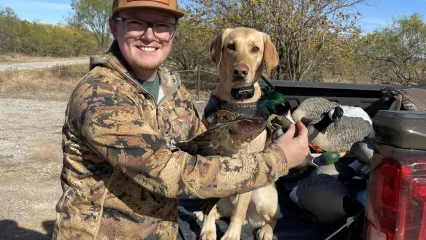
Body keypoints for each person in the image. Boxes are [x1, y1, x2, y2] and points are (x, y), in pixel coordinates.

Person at [52, 0, 309, 239]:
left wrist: (272, 133)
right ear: (113, 27)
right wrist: (278, 159)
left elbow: (204, 146)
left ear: (172, 33)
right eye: (136, 23)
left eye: (161, 26)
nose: (149, 35)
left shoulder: (171, 89)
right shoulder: (101, 96)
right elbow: (167, 173)